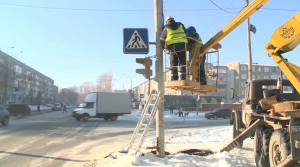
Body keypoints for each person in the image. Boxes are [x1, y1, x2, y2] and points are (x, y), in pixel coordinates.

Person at [160, 16, 188, 81]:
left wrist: (164, 47)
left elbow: (161, 39)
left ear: (167, 21)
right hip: (183, 47)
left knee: (173, 64)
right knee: (182, 63)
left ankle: (174, 79)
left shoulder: (166, 28)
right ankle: (182, 78)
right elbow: (187, 34)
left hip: (172, 48)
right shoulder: (181, 25)